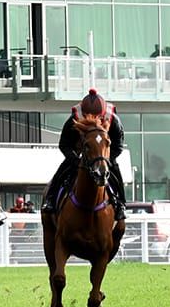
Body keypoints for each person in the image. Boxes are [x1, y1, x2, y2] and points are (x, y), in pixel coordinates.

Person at [42, 88, 127, 220]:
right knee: (62, 170)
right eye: (89, 116)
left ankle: (121, 204)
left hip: (105, 154)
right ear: (84, 113)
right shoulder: (73, 120)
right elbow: (64, 144)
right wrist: (75, 160)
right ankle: (51, 199)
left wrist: (106, 159)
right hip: (79, 153)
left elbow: (118, 145)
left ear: (103, 114)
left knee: (115, 172)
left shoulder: (113, 120)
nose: (93, 119)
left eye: (97, 117)